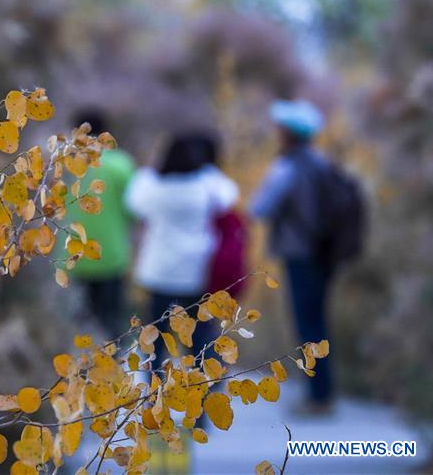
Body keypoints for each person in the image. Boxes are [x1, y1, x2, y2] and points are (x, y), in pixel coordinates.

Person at [250, 99, 334, 415]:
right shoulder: (321, 163)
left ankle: (317, 398)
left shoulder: (287, 167)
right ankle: (322, 391)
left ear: (288, 133)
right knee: (318, 321)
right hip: (325, 251)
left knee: (307, 324)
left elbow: (260, 207)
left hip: (299, 252)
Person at [124, 132, 239, 361]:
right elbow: (229, 195)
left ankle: (154, 379)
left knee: (155, 334)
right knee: (199, 334)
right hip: (196, 270)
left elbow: (133, 201)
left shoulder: (154, 187)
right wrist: (209, 170)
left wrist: (151, 169)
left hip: (159, 269)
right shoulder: (206, 185)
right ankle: (204, 379)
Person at [64, 109, 136, 341]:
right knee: (110, 320)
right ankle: (111, 360)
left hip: (73, 255)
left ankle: (79, 360)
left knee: (79, 322)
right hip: (111, 254)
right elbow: (134, 210)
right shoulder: (121, 164)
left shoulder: (66, 164)